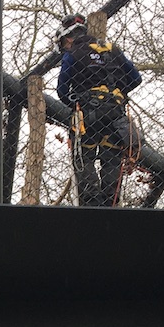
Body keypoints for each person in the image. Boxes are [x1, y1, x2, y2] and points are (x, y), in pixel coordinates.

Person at [55, 13, 144, 207]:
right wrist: (117, 92)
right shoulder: (112, 50)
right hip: (116, 113)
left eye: (63, 43)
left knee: (82, 156)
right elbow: (136, 79)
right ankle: (109, 203)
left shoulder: (73, 54)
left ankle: (91, 202)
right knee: (111, 158)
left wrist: (76, 100)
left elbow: (62, 89)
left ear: (68, 38)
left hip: (88, 114)